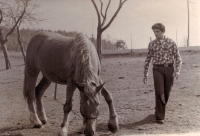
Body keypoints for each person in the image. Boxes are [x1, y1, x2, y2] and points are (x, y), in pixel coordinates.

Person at [143, 23, 182, 124]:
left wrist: (177, 70)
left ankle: (158, 109)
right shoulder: (152, 44)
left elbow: (178, 58)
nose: (156, 34)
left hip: (169, 68)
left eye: (157, 32)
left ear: (163, 31)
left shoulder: (171, 42)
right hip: (157, 69)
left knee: (167, 93)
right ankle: (160, 117)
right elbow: (148, 59)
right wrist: (145, 73)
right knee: (159, 92)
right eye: (154, 32)